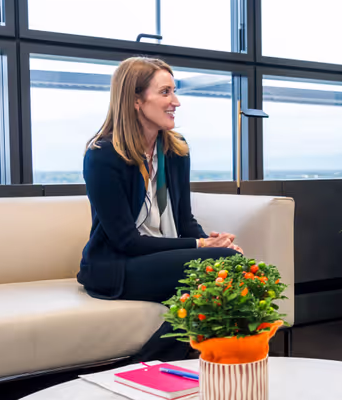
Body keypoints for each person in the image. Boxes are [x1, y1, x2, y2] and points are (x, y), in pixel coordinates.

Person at [78, 56, 242, 362]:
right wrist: (202, 247)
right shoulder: (103, 155)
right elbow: (125, 241)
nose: (176, 102)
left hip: (159, 260)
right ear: (136, 100)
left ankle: (152, 365)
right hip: (116, 267)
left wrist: (211, 242)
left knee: (226, 266)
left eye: (174, 91)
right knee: (225, 265)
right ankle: (151, 366)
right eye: (165, 92)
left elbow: (184, 220)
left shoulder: (176, 150)